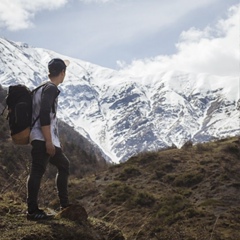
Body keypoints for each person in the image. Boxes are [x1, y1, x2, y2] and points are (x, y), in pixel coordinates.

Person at [27, 58, 70, 220]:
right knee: (37, 170)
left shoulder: (41, 87)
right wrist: (49, 141)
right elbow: (45, 114)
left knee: (64, 164)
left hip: (39, 136)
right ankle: (32, 211)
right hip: (43, 137)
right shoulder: (51, 88)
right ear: (62, 73)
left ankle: (65, 205)